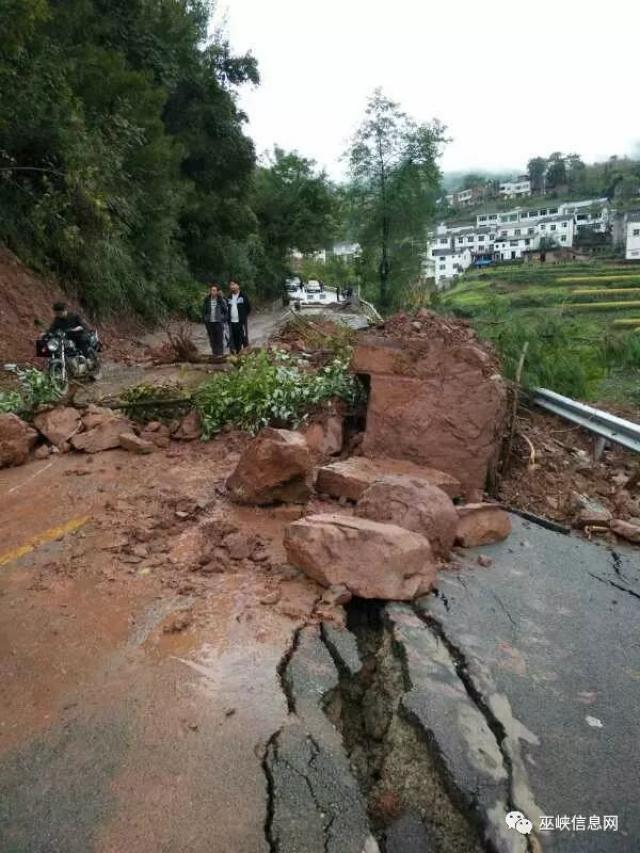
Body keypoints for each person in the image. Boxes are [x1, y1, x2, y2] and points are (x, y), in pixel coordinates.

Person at [201, 283, 229, 358]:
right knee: (212, 339)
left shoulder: (221, 300)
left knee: (219, 338)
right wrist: (205, 319)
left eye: (214, 290)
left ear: (217, 292)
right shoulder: (207, 300)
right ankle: (214, 353)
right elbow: (203, 311)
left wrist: (223, 319)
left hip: (218, 322)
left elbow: (226, 312)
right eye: (212, 290)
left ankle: (220, 354)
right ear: (210, 291)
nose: (213, 292)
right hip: (210, 322)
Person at [227, 280, 251, 353]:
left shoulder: (243, 296)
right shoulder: (229, 297)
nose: (232, 286)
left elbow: (248, 308)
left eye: (234, 284)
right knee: (236, 340)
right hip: (232, 322)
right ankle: (238, 355)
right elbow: (227, 308)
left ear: (238, 286)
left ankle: (247, 356)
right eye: (231, 285)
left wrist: (243, 316)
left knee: (244, 339)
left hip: (241, 322)